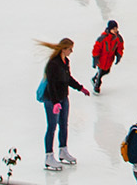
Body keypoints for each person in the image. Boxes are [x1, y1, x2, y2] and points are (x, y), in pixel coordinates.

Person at [37, 38, 90, 170]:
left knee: (64, 125)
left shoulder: (65, 62)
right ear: (64, 49)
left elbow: (67, 79)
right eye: (70, 49)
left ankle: (63, 150)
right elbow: (52, 85)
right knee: (52, 127)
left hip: (63, 98)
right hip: (52, 100)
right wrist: (55, 102)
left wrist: (80, 88)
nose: (71, 51)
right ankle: (49, 156)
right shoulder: (53, 64)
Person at [90, 18, 125, 94]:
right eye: (113, 29)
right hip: (102, 59)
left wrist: (119, 55)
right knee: (101, 71)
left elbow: (120, 47)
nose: (115, 30)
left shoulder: (118, 38)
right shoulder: (102, 38)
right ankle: (97, 86)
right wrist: (95, 58)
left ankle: (94, 78)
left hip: (109, 59)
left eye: (116, 28)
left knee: (106, 71)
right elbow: (96, 48)